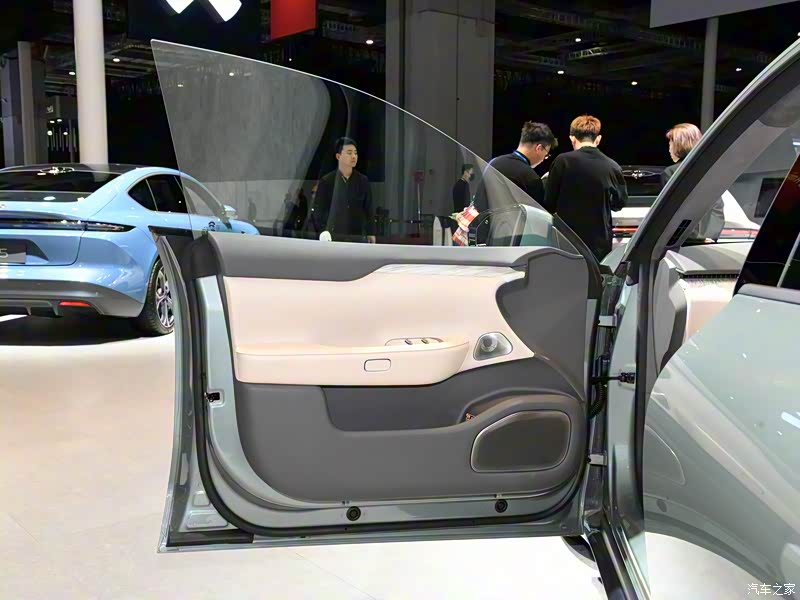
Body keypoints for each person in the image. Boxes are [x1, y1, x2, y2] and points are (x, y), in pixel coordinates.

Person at [543, 115, 628, 260]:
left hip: (566, 239)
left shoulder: (563, 161)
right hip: (598, 242)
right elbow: (619, 203)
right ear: (598, 139)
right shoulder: (612, 166)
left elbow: (549, 202)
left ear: (572, 139)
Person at [662, 123, 725, 242]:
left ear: (679, 144)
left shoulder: (671, 172)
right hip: (710, 240)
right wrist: (709, 236)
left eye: (670, 144)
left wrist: (694, 238)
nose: (669, 149)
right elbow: (717, 206)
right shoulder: (711, 169)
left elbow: (675, 211)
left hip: (683, 240)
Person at [311, 137, 376, 243]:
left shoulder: (363, 181)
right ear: (338, 156)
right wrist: (323, 231)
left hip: (357, 236)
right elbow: (319, 210)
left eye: (355, 153)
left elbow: (369, 208)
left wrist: (371, 232)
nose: (353, 156)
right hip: (333, 236)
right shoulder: (327, 181)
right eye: (349, 153)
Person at [484, 122, 556, 207]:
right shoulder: (531, 178)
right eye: (546, 155)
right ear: (539, 148)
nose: (543, 159)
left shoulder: (493, 162)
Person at [451, 164, 474, 233]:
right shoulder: (461, 185)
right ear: (465, 172)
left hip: (461, 216)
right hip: (461, 217)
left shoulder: (462, 184)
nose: (470, 177)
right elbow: (463, 203)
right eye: (470, 174)